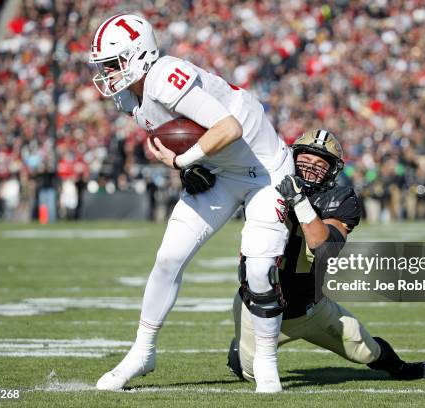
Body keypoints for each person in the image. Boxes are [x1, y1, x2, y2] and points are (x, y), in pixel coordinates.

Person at [89, 13, 293, 392]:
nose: (108, 74)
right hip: (222, 171)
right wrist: (188, 163)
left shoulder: (165, 77)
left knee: (260, 271)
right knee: (168, 258)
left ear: (139, 55)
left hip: (266, 171)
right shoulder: (125, 95)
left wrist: (186, 160)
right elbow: (173, 135)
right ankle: (143, 350)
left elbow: (228, 127)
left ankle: (266, 361)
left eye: (113, 64)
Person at [227, 129, 425, 383]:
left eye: (320, 162)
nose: (310, 166)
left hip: (309, 309)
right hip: (256, 306)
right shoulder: (262, 182)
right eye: (305, 158)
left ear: (332, 170)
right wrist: (199, 175)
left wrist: (299, 201)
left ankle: (405, 369)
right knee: (250, 372)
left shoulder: (340, 198)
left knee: (366, 350)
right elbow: (225, 179)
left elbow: (322, 245)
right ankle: (240, 350)